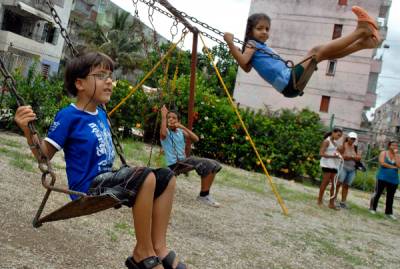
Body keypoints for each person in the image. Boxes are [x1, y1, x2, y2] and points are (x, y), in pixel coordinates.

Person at [14, 52, 187, 269]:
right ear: (80, 84)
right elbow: (44, 155)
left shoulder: (101, 113)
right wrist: (27, 131)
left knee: (166, 177)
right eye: (100, 75)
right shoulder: (69, 116)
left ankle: (159, 247)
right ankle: (143, 252)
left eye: (110, 76)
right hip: (88, 187)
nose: (109, 82)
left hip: (109, 178)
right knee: (146, 177)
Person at [224, 6, 380, 98]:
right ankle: (360, 32)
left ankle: (361, 44)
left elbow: (246, 66)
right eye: (259, 29)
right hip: (288, 81)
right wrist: (230, 43)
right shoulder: (252, 44)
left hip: (289, 84)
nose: (264, 32)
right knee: (316, 51)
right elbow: (244, 64)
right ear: (250, 31)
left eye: (267, 29)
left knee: (321, 54)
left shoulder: (258, 47)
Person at [160, 105, 222, 208]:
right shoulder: (166, 131)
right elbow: (162, 133)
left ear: (178, 121)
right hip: (175, 164)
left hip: (184, 161)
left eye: (174, 118)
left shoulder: (180, 131)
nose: (171, 119)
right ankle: (203, 196)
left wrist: (182, 127)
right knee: (205, 163)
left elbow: (196, 139)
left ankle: (205, 194)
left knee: (215, 164)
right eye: (169, 117)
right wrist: (163, 116)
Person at [369, 141, 400, 220]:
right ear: (389, 146)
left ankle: (388, 212)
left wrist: (396, 155)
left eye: (396, 145)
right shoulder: (384, 153)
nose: (395, 146)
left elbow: (399, 165)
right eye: (393, 145)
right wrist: (393, 167)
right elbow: (382, 163)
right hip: (382, 177)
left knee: (390, 196)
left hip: (393, 179)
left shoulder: (398, 155)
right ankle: (372, 208)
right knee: (377, 193)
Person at [318, 128, 343, 210]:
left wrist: (338, 155)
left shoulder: (335, 143)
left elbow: (334, 152)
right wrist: (333, 156)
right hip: (326, 164)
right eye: (338, 135)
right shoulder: (326, 141)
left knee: (334, 184)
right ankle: (319, 200)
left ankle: (331, 204)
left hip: (334, 165)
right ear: (333, 133)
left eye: (340, 136)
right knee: (325, 183)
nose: (339, 137)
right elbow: (321, 153)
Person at [335, 132, 362, 209]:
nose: (353, 140)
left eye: (354, 139)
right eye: (351, 138)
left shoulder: (355, 147)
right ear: (348, 138)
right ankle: (333, 198)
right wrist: (353, 157)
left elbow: (359, 157)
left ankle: (343, 202)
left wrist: (353, 157)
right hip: (343, 167)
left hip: (352, 169)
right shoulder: (343, 145)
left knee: (346, 186)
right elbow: (342, 156)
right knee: (338, 183)